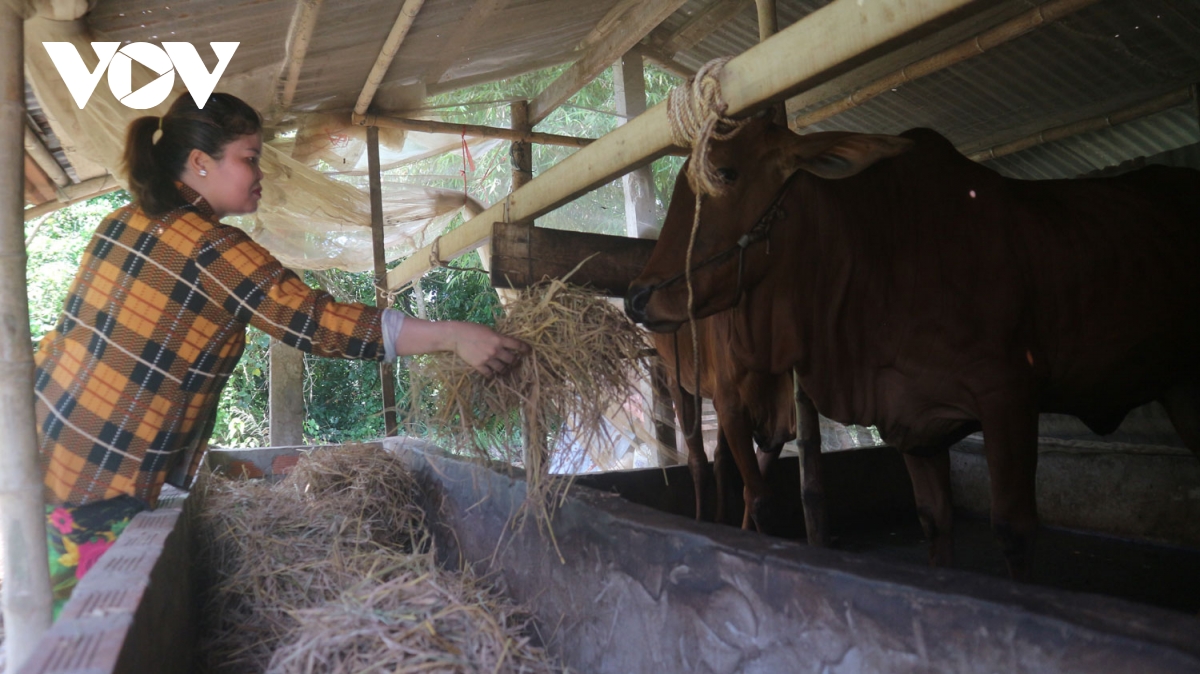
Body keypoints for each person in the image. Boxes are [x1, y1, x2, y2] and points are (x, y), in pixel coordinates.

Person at [34, 91, 526, 617]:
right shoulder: (209, 247)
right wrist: (452, 335)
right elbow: (315, 322)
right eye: (248, 159)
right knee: (85, 625)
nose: (260, 173)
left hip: (42, 447)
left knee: (43, 610)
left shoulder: (120, 222)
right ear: (200, 163)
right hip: (102, 482)